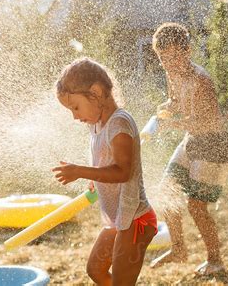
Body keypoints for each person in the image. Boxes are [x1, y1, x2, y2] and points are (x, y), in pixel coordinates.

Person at [52, 57, 157, 285]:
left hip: (136, 219)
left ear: (96, 92)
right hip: (119, 219)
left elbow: (122, 172)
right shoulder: (97, 124)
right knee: (96, 270)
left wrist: (81, 171)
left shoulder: (120, 123)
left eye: (76, 107)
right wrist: (96, 180)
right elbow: (106, 162)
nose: (75, 116)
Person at [149, 22, 228, 275]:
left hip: (213, 145)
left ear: (187, 52)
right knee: (166, 193)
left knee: (196, 206)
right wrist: (166, 108)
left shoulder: (202, 80)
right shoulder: (171, 73)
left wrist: (171, 124)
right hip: (192, 140)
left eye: (173, 57)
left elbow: (205, 121)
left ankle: (215, 260)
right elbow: (175, 100)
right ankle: (178, 249)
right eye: (163, 58)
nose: (168, 64)